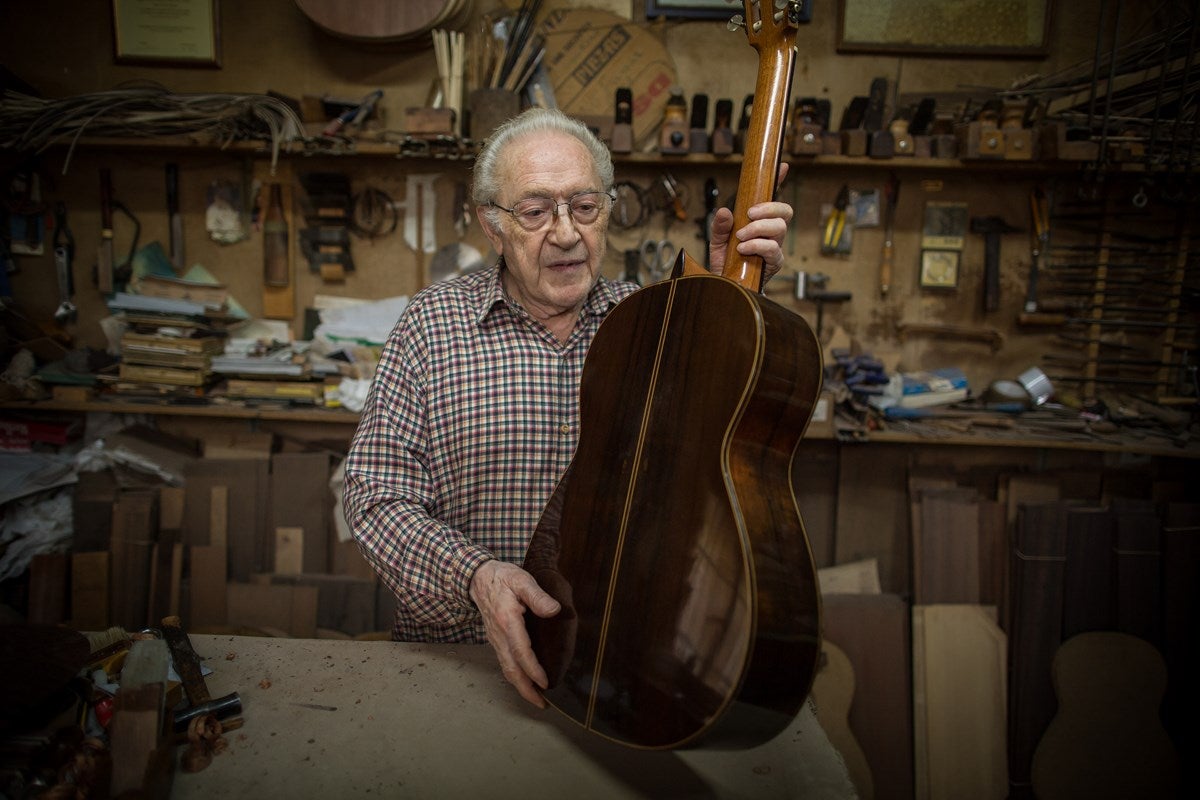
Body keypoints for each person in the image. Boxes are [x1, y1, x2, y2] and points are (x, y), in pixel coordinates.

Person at [342, 106, 793, 708]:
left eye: (585, 206)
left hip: (614, 677)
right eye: (534, 211)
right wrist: (476, 578)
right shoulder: (432, 325)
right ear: (491, 223)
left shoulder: (656, 327)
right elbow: (374, 495)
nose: (565, 232)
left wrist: (726, 305)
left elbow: (714, 469)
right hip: (458, 662)